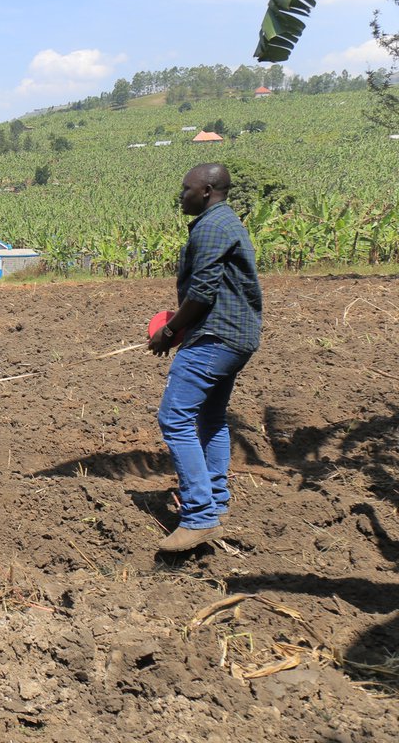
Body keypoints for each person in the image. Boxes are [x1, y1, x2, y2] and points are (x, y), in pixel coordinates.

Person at [148, 163, 262, 553]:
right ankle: (215, 501)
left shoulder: (212, 226)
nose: (182, 196)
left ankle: (199, 516)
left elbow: (202, 291)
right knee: (210, 418)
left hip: (215, 337)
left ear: (208, 190)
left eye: (186, 189)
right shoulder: (225, 222)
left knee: (174, 417)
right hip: (234, 338)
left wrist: (168, 331)